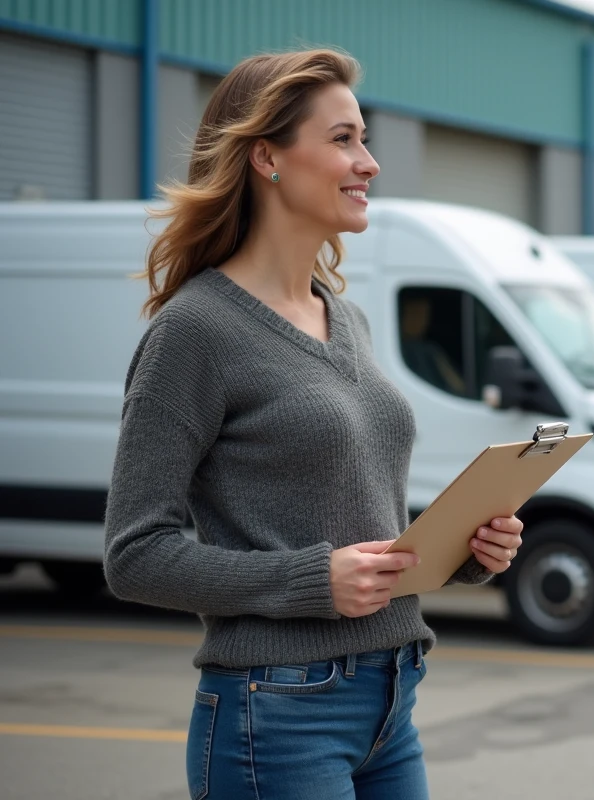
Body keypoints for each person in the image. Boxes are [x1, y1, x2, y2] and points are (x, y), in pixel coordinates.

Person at [102, 48, 524, 800]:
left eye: (365, 139)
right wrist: (309, 580)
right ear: (266, 156)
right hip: (277, 713)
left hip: (392, 703)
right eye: (342, 140)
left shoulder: (348, 317)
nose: (369, 162)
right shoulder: (195, 331)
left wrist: (466, 550)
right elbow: (135, 554)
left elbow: (358, 521)